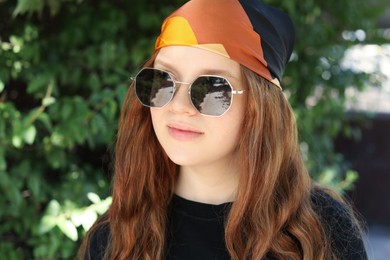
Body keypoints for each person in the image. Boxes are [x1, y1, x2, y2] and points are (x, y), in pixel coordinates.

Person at [78, 0, 368, 259]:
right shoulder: (117, 236)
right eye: (163, 80)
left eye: (212, 87)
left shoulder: (320, 231)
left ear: (260, 108)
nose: (179, 107)